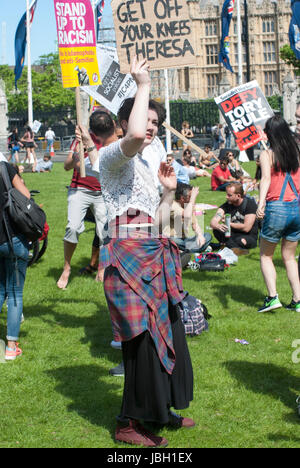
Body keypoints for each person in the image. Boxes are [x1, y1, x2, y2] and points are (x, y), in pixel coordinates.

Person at [79, 57, 194, 448]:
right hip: (127, 262)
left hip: (155, 255)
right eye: (146, 119)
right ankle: (128, 422)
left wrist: (165, 191)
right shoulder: (110, 157)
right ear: (126, 121)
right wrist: (141, 83)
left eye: (156, 123)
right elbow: (130, 140)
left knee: (170, 332)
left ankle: (161, 411)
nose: (151, 127)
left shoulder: (149, 165)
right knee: (140, 342)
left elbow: (162, 220)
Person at [56, 111, 109, 290]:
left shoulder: (110, 140)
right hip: (80, 189)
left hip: (102, 192)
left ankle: (102, 268)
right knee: (72, 227)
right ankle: (67, 267)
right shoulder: (80, 139)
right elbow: (66, 165)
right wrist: (78, 158)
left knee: (104, 232)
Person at [256, 115, 300, 313]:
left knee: (266, 255)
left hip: (277, 207)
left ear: (269, 134)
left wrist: (260, 203)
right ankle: (297, 300)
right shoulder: (297, 152)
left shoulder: (267, 155)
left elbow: (265, 179)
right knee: (289, 257)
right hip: (297, 207)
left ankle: (273, 297)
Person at [0, 162, 31, 360]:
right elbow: (26, 195)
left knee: (1, 289)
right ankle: (11, 346)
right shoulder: (4, 168)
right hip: (13, 238)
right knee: (15, 293)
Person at [210, 182, 258, 255]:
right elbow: (213, 222)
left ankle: (227, 247)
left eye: (229, 195)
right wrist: (217, 225)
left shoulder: (250, 204)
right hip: (232, 234)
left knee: (240, 241)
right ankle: (233, 248)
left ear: (238, 195)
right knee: (217, 230)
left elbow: (246, 228)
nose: (226, 197)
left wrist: (228, 223)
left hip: (248, 236)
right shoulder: (227, 204)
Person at [163, 182, 212, 253]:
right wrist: (193, 199)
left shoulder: (188, 206)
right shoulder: (171, 205)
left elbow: (194, 224)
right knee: (173, 241)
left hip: (185, 239)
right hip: (171, 237)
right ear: (182, 198)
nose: (192, 198)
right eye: (190, 196)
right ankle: (195, 249)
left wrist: (200, 236)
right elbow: (186, 215)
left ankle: (185, 250)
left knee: (207, 235)